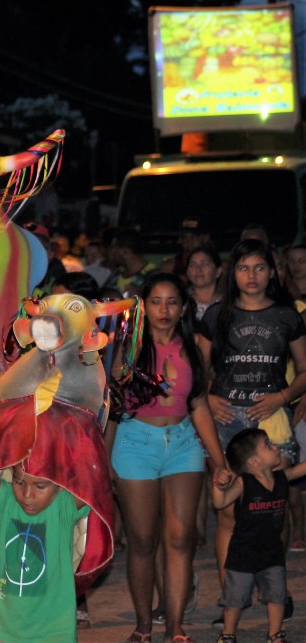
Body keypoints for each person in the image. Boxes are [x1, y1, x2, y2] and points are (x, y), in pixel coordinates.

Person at [111, 272, 227, 643]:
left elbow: (199, 405)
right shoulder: (128, 345)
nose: (164, 309)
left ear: (184, 308)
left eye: (172, 302)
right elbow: (113, 394)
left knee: (180, 538)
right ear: (144, 307)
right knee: (143, 541)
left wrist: (219, 462)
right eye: (156, 301)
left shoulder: (193, 346)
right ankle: (144, 625)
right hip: (136, 443)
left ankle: (176, 628)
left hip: (183, 444)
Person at [197, 239, 306, 625]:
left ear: (272, 272)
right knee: (229, 513)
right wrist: (209, 399)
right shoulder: (217, 315)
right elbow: (197, 371)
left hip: (271, 422)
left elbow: (304, 370)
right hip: (227, 421)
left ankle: (276, 589)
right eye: (244, 268)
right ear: (233, 273)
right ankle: (233, 598)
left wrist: (283, 396)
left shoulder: (287, 315)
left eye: (260, 267)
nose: (252, 276)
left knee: (273, 510)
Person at [0, 463, 89, 643]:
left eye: (40, 486)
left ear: (61, 485)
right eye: (19, 482)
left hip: (55, 626)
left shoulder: (64, 506)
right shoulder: (5, 499)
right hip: (7, 625)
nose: (27, 494)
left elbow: (94, 476)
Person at [213, 429, 306, 643]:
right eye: (268, 445)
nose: (275, 447)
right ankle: (228, 634)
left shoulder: (282, 478)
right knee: (235, 599)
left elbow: (301, 468)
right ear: (254, 461)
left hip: (272, 551)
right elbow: (220, 502)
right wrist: (218, 485)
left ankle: (275, 635)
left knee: (277, 595)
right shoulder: (244, 482)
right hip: (242, 552)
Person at [105, 228, 157, 298]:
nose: (111, 252)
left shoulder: (152, 276)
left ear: (125, 252)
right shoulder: (117, 273)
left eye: (114, 248)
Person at [187, 245, 224, 321]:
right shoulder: (181, 302)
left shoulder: (228, 303)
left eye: (205, 264)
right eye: (192, 265)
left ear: (218, 271)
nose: (198, 269)